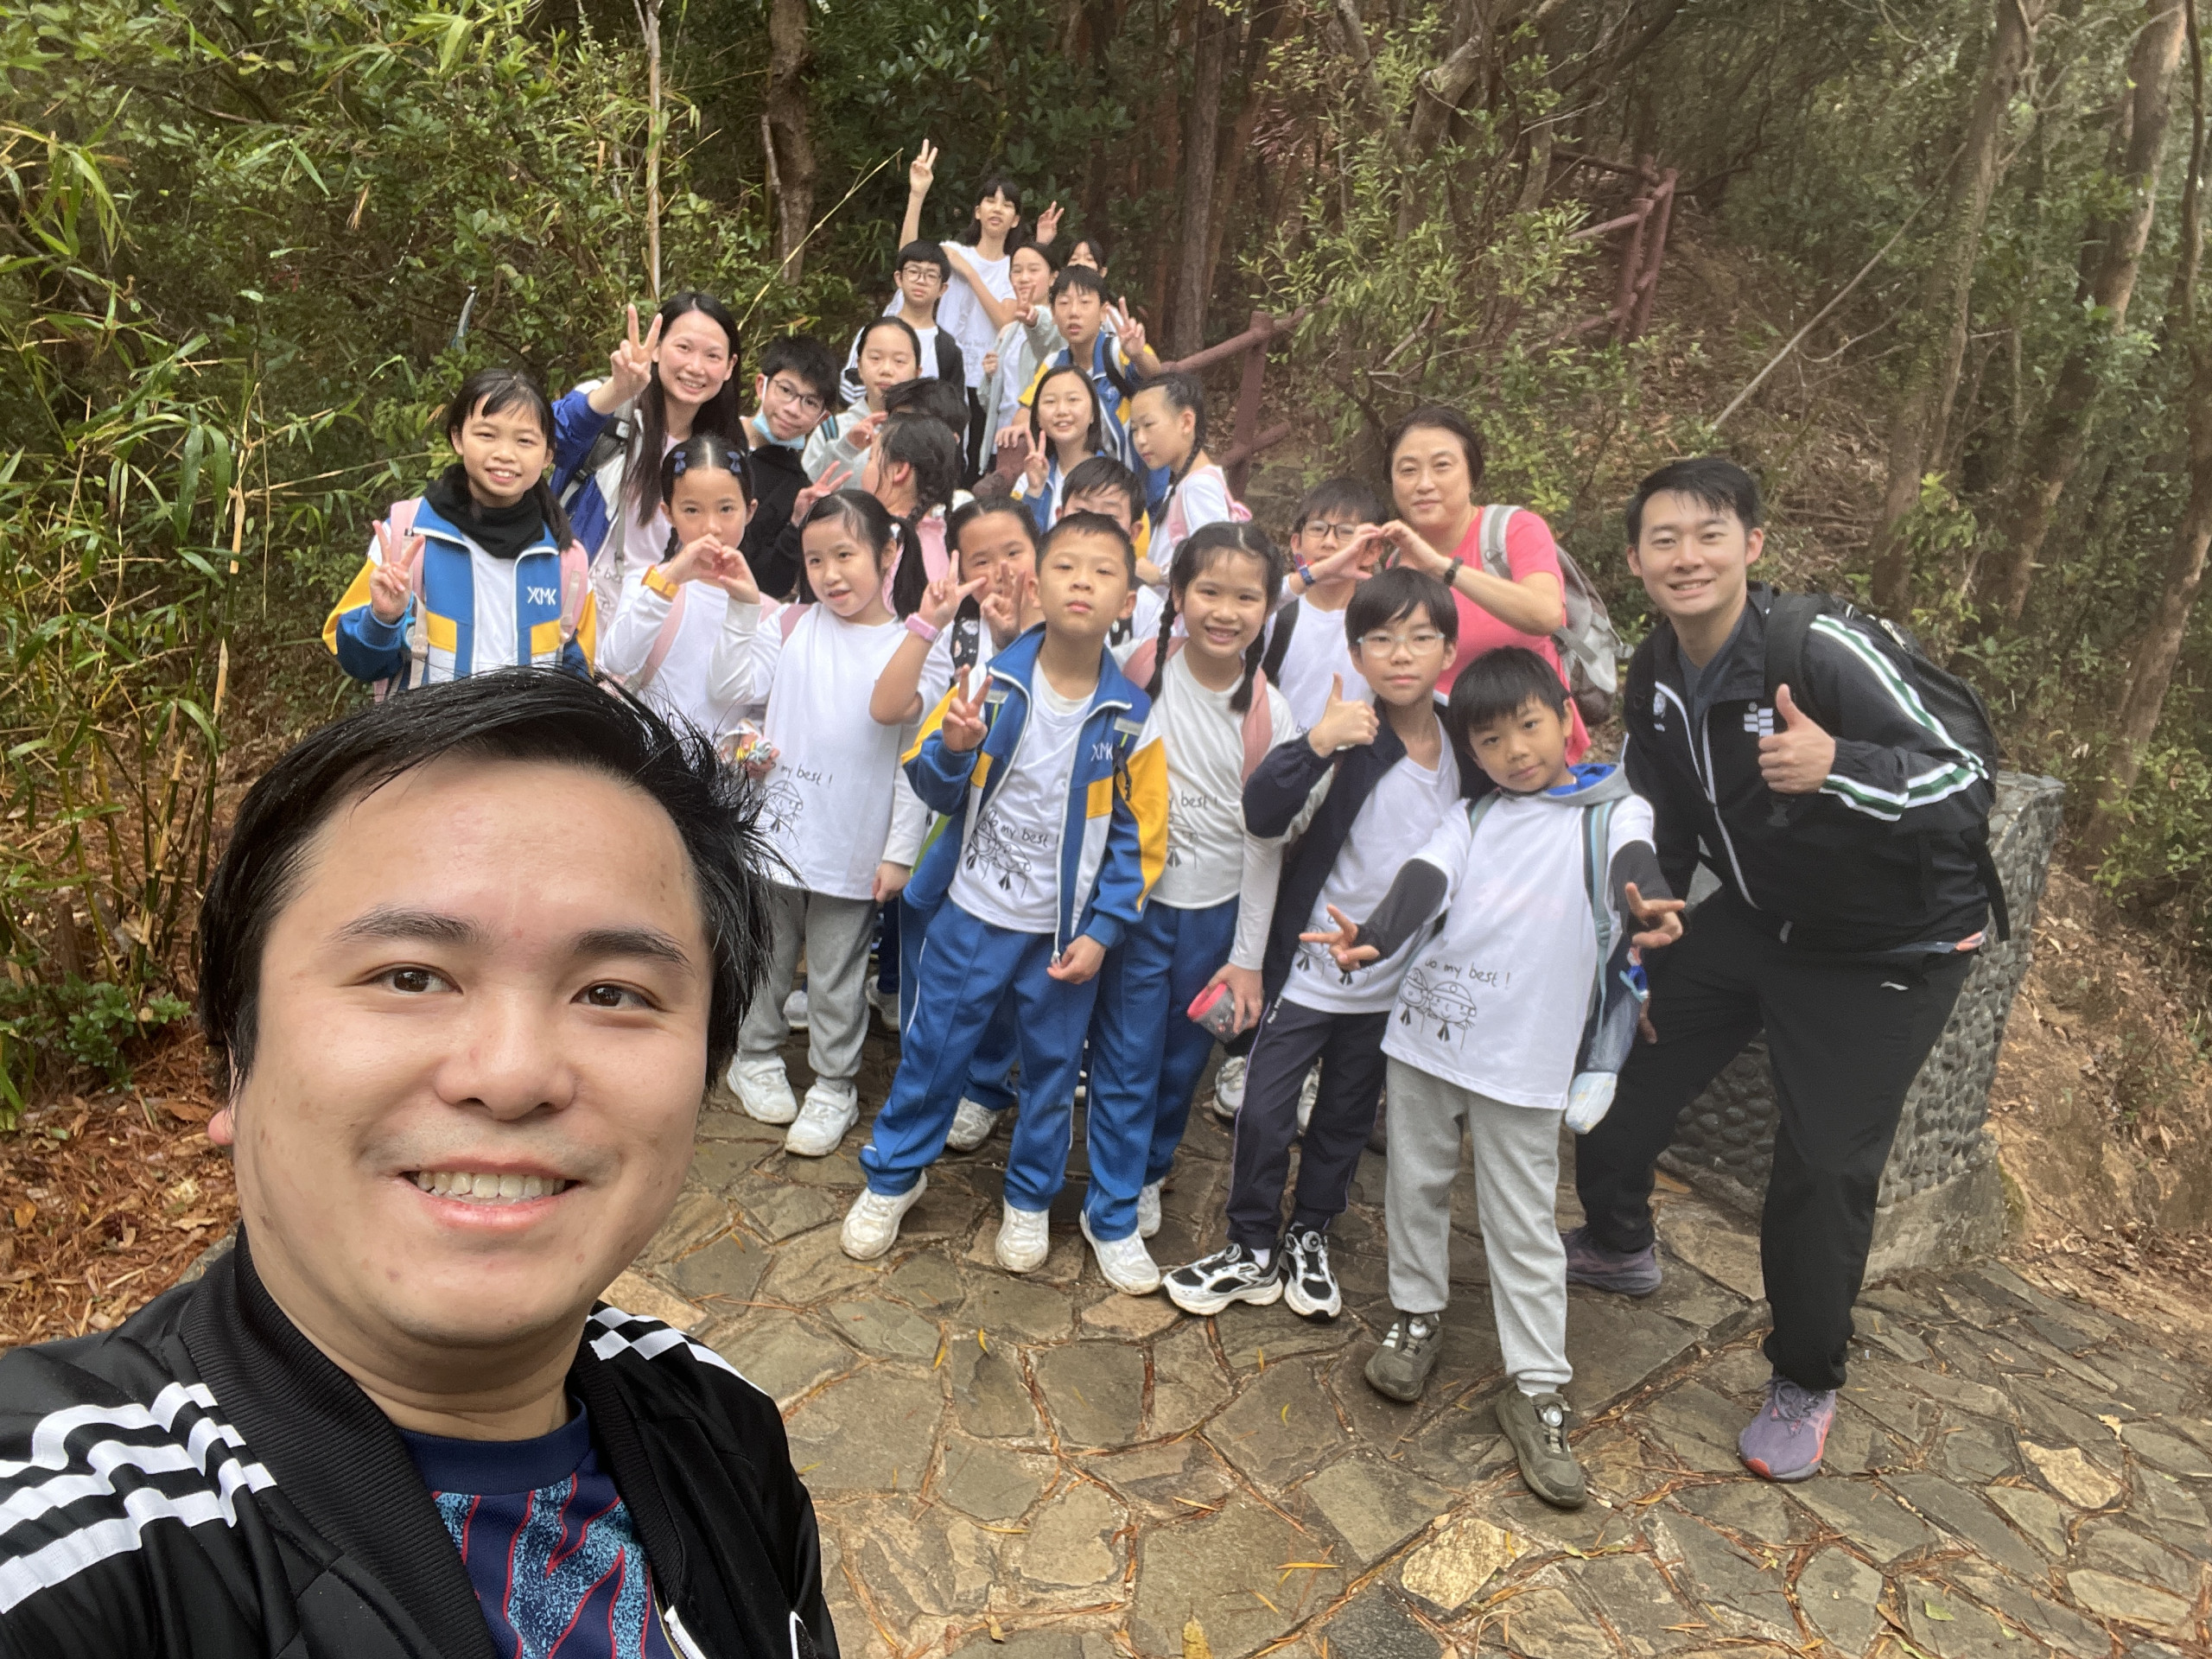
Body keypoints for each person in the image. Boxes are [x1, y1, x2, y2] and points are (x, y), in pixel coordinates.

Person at [0, 670, 837, 1656]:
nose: (512, 1075)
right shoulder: (78, 1543)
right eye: (410, 976)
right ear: (232, 1062)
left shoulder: (714, 1417)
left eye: (612, 993)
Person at [1567, 456, 1995, 1482]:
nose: (1687, 556)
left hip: (1889, 945)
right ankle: (1619, 1242)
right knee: (1621, 1057)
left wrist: (1839, 764)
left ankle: (1805, 1375)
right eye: (1664, 539)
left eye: (1709, 534)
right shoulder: (1655, 671)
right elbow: (1663, 811)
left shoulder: (1819, 647)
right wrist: (1651, 912)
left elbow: (1966, 774)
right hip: (1762, 916)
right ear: (1634, 560)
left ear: (1751, 545)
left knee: (1821, 1167)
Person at [1304, 646, 1685, 1509]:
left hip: (1525, 1058)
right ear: (1471, 751)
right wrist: (1375, 934)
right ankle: (1415, 1316)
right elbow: (1424, 881)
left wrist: (1649, 901)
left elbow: (1634, 865)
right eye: (1490, 739)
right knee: (1415, 1186)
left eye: (1529, 726)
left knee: (1522, 1224)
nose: (1515, 750)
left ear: (1564, 718)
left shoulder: (1611, 811)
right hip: (1429, 1036)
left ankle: (1538, 1387)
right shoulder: (1471, 818)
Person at [840, 513, 1166, 1268]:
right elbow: (929, 782)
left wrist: (1103, 930)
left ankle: (1028, 1200)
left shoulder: (1131, 719)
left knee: (1050, 1077)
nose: (1082, 582)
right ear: (1034, 584)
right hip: (968, 916)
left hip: (1060, 940)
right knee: (932, 1053)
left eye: (1103, 572)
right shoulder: (988, 683)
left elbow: (1141, 840)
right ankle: (894, 1176)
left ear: (1126, 603)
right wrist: (955, 750)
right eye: (1066, 567)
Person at [1164, 567, 1469, 1320]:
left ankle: (1309, 1234)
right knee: (1265, 1110)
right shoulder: (1347, 733)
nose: (1402, 655)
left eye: (1421, 638)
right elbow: (1262, 813)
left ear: (1449, 650)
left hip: (1391, 980)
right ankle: (1250, 1245)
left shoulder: (1466, 742)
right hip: (1305, 969)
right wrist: (1315, 744)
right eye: (1381, 640)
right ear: (1357, 655)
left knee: (1344, 1118)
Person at [1082, 522, 1297, 1294]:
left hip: (1215, 918)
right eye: (1209, 590)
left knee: (1182, 1065)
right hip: (1135, 908)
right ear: (1177, 593)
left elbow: (1266, 845)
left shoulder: (1270, 714)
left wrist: (1246, 957)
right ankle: (1110, 1209)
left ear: (1269, 607)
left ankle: (1149, 1170)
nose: (1225, 611)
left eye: (1247, 597)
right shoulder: (1138, 671)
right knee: (1126, 1057)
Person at [709, 493, 916, 1158]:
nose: (830, 574)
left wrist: (899, 852)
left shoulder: (910, 648)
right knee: (769, 955)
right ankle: (755, 1056)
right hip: (778, 833)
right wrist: (745, 742)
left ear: (888, 553)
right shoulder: (792, 624)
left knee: (836, 972)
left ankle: (834, 1084)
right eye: (815, 559)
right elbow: (735, 695)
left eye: (845, 555)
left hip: (853, 842)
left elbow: (911, 762)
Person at [870, 497, 1041, 1157]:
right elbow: (902, 723)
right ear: (959, 569)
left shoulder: (1078, 646)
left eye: (1014, 553)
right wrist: (932, 623)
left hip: (1031, 864)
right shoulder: (958, 642)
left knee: (1005, 989)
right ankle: (928, 1093)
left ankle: (986, 1088)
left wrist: (1019, 641)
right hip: (954, 854)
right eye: (980, 560)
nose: (1000, 571)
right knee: (936, 986)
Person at [327, 367, 597, 690]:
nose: (505, 454)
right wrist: (382, 618)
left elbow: (578, 686)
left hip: (524, 727)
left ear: (547, 455)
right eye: (487, 435)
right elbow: (358, 662)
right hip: (427, 726)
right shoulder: (406, 537)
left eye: (525, 441)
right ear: (457, 438)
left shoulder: (567, 562)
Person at [1368, 405, 1586, 756]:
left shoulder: (1513, 530)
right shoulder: (1395, 564)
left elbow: (1545, 615)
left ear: (1471, 475)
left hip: (1528, 749)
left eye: (1442, 466)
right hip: (1446, 752)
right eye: (1408, 470)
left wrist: (1445, 569)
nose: (1424, 484)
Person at [555, 293, 746, 631]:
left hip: (648, 627)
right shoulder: (610, 408)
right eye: (683, 348)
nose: (696, 367)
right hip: (566, 617)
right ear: (656, 348)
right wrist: (616, 391)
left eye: (712, 355)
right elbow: (549, 440)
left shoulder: (722, 451)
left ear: (730, 366)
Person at [596, 433, 762, 734]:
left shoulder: (764, 610)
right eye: (692, 510)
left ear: (749, 511)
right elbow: (618, 661)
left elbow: (750, 701)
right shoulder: (648, 580)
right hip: (647, 752)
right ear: (668, 513)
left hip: (716, 761)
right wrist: (668, 583)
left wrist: (745, 608)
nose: (711, 526)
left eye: (726, 509)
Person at [741, 333, 845, 600]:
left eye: (810, 402)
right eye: (786, 391)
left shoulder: (797, 488)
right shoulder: (712, 432)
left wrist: (797, 523)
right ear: (761, 385)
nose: (793, 409)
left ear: (822, 418)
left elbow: (772, 584)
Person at [1023, 266, 1144, 471]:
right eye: (1064, 303)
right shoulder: (1053, 363)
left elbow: (1154, 375)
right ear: (1053, 313)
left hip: (1132, 476)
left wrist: (1138, 356)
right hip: (1082, 475)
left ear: (1104, 312)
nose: (1073, 312)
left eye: (1085, 302)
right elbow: (1028, 405)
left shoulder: (1118, 350)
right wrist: (1019, 423)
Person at [1126, 371, 1241, 577]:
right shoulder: (1189, 483)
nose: (1140, 439)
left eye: (1148, 425)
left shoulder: (1199, 487)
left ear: (1186, 422)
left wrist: (1159, 575)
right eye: (1134, 429)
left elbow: (1217, 560)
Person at [839, 241, 965, 407]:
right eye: (913, 272)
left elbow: (954, 409)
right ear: (899, 278)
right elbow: (849, 389)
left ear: (942, 289)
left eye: (931, 275)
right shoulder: (873, 333)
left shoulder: (947, 349)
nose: (921, 281)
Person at [806, 316, 920, 482]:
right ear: (859, 366)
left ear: (917, 373)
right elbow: (807, 491)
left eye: (899, 361)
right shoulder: (832, 431)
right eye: (875, 358)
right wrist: (846, 448)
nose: (886, 370)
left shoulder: (928, 434)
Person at [980, 238, 1062, 454]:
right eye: (1017, 271)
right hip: (1002, 444)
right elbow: (989, 403)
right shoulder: (1008, 332)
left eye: (1033, 270)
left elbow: (1047, 335)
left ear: (1053, 277)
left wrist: (1034, 321)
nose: (1024, 278)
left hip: (1039, 445)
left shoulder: (1062, 324)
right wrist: (989, 377)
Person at [1017, 363, 1109, 532]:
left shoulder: (1113, 479)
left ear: (1093, 413)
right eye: (1050, 402)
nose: (1061, 410)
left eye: (1073, 400)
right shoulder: (1028, 481)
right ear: (1037, 417)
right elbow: (1020, 539)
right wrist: (1035, 492)